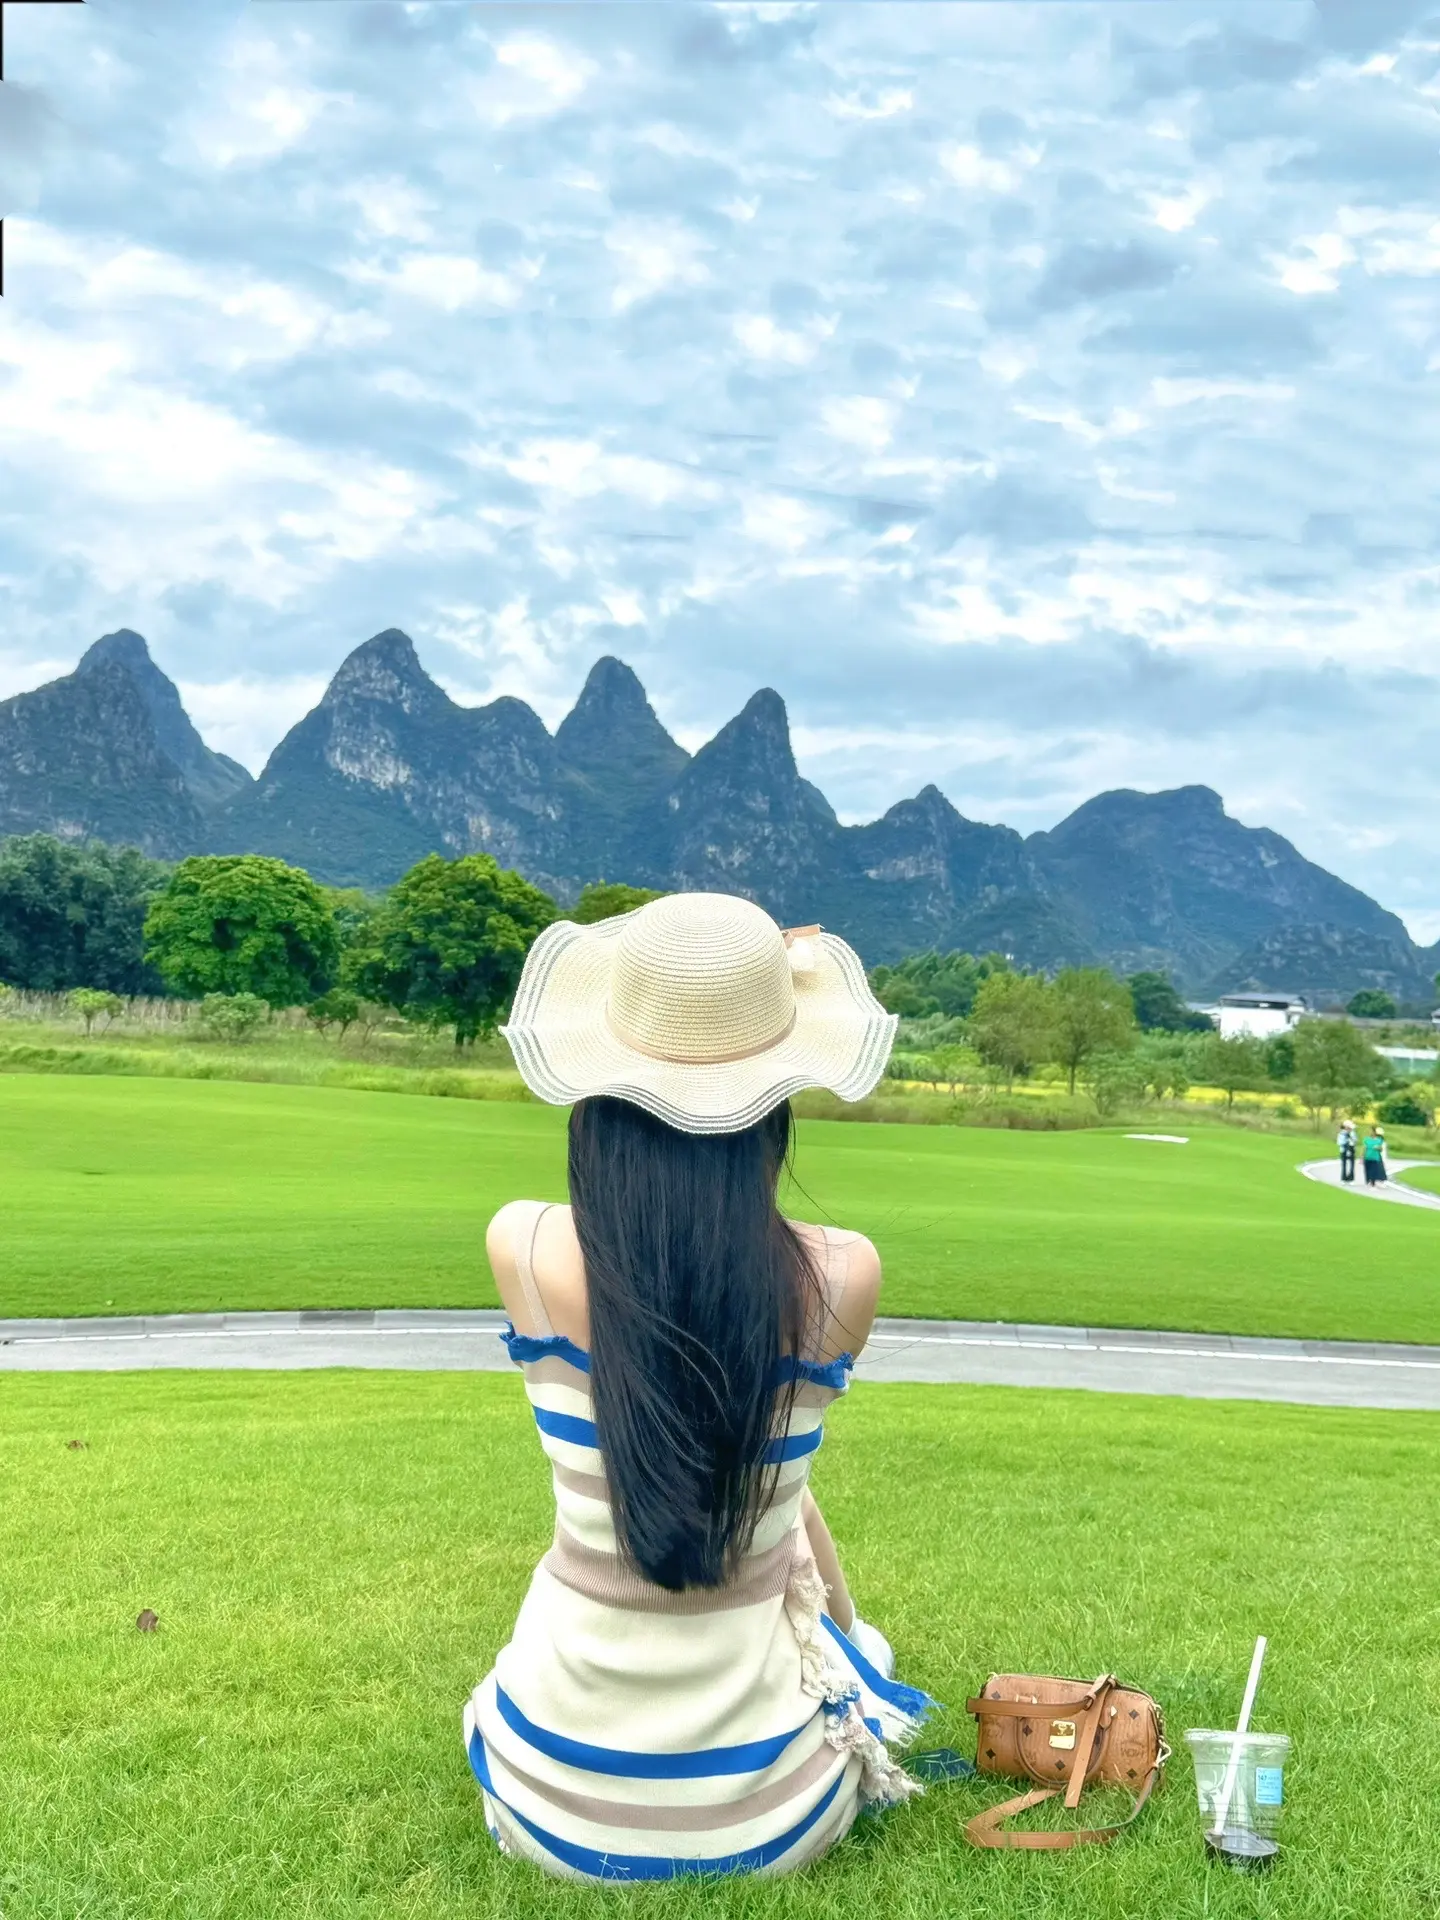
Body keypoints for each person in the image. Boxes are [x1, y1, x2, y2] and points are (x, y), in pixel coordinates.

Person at [463, 893, 935, 1882]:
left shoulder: (524, 1243)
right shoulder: (841, 1273)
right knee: (866, 1650)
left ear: (597, 1094)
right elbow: (783, 1497)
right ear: (776, 1108)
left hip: (543, 1796)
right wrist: (851, 1638)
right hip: (772, 1822)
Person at [1337, 1117, 1357, 1184]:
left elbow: (1355, 1140)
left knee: (1352, 1165)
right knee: (1344, 1165)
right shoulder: (1341, 1133)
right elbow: (1339, 1142)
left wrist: (1351, 1138)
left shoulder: (1353, 1133)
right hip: (1344, 1150)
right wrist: (1346, 1141)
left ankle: (1351, 1179)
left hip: (1351, 1149)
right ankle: (1343, 1179)